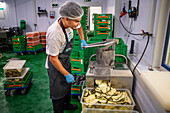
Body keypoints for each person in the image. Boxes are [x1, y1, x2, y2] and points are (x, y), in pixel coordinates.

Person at [45, 1, 88, 113]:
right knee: (58, 90)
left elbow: (79, 27)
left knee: (67, 86)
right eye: (76, 21)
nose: (78, 23)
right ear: (66, 18)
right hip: (55, 64)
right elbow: (53, 59)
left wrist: (82, 39)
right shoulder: (54, 33)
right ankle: (59, 109)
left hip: (65, 60)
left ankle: (67, 104)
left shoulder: (72, 22)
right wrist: (66, 74)